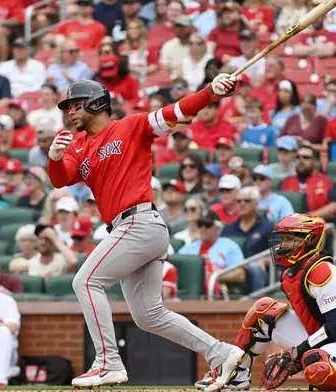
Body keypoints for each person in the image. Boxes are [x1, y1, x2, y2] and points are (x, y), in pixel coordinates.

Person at [47, 77, 245, 387]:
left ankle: (108, 362)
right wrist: (55, 157)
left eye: (75, 105)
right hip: (133, 229)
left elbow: (175, 112)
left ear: (95, 103)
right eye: (68, 107)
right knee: (148, 315)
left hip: (139, 222)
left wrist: (209, 93)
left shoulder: (131, 126)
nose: (70, 112)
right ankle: (220, 353)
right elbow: (62, 179)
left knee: (86, 281)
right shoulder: (78, 145)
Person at [197, 213, 336, 392]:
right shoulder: (290, 274)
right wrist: (300, 351)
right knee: (263, 310)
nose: (282, 245)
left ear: (309, 241)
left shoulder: (323, 272)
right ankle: (235, 374)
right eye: (282, 238)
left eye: (289, 239)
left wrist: (298, 351)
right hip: (323, 335)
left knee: (316, 367)